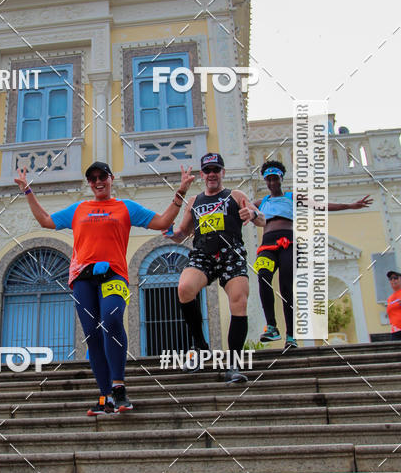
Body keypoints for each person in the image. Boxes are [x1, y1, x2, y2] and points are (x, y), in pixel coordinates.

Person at [15, 161, 195, 414]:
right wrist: (27, 191)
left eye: (102, 176)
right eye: (92, 178)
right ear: (89, 183)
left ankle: (119, 387)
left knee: (111, 320)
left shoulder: (125, 207)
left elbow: (163, 220)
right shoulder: (79, 209)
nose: (98, 181)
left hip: (114, 276)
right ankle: (105, 396)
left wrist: (181, 192)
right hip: (82, 278)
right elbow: (46, 221)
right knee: (91, 332)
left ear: (112, 178)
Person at [167, 152, 265, 384]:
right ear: (202, 174)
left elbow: (262, 219)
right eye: (208, 171)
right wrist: (170, 233)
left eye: (216, 170)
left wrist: (251, 213)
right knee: (184, 289)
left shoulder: (235, 195)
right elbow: (181, 234)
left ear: (223, 173)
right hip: (203, 254)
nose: (212, 174)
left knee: (239, 301)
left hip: (232, 255)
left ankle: (233, 364)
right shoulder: (194, 201)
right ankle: (200, 346)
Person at [254, 160, 372, 348]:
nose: (272, 182)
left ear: (281, 179)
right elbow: (238, 210)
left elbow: (321, 205)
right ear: (265, 181)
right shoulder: (261, 203)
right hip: (267, 246)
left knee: (286, 287)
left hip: (289, 244)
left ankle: (291, 336)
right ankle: (271, 326)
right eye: (268, 179)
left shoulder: (292, 197)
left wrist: (349, 206)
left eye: (275, 178)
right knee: (263, 276)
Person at [386, 270, 401, 340]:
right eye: (390, 279)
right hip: (395, 331)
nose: (393, 280)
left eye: (395, 278)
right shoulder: (390, 298)